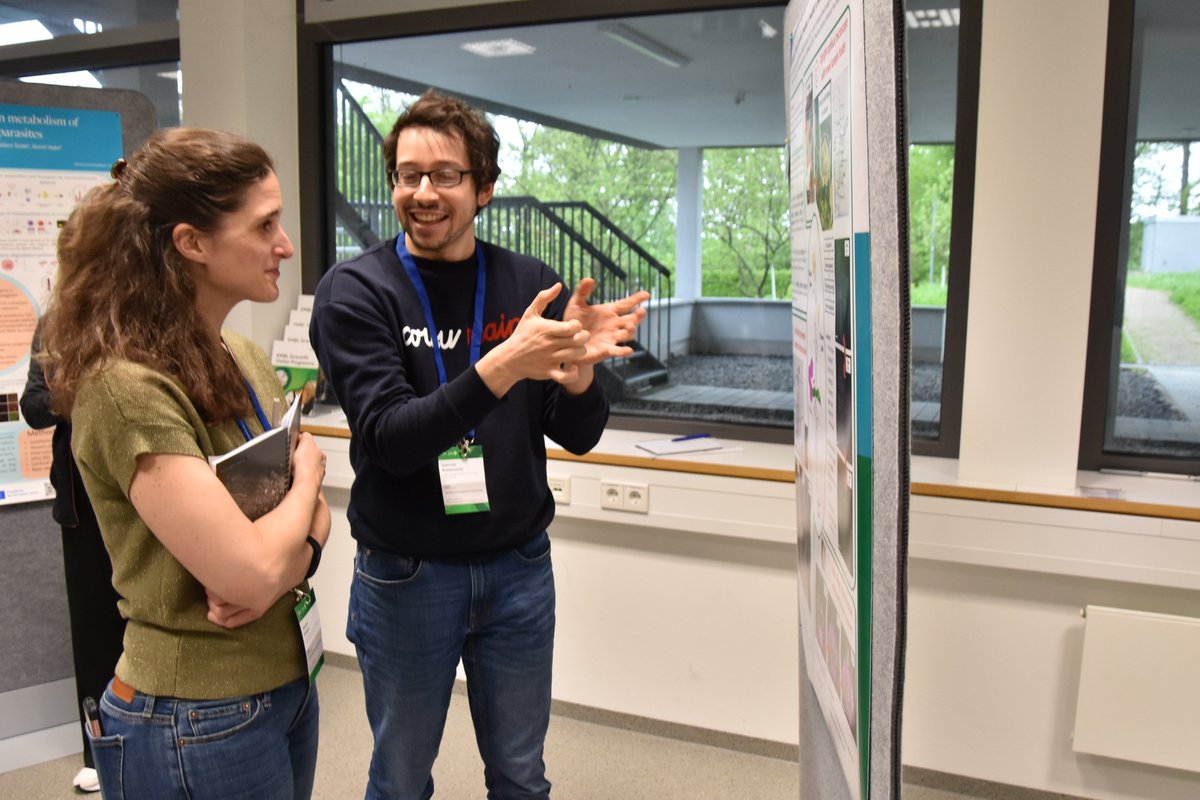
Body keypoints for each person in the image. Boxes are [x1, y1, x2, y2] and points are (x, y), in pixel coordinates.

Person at [309, 89, 650, 800]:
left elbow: (577, 434)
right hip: (407, 574)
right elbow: (391, 440)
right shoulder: (356, 290)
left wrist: (580, 372)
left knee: (522, 776)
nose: (422, 192)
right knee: (400, 780)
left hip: (518, 569)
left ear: (484, 188)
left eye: (445, 175)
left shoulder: (526, 282)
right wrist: (501, 364)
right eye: (407, 174)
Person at [38, 127, 331, 800]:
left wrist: (296, 544)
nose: (284, 245)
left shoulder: (244, 358)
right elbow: (254, 569)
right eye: (264, 227)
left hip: (284, 685)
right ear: (191, 243)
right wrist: (309, 484)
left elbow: (279, 556)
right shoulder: (127, 389)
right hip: (193, 713)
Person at [20, 319, 125, 794]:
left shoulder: (130, 315)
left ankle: (149, 742)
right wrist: (77, 395)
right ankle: (96, 752)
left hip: (133, 498)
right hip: (81, 508)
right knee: (92, 631)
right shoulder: (53, 328)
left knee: (141, 625)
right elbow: (32, 406)